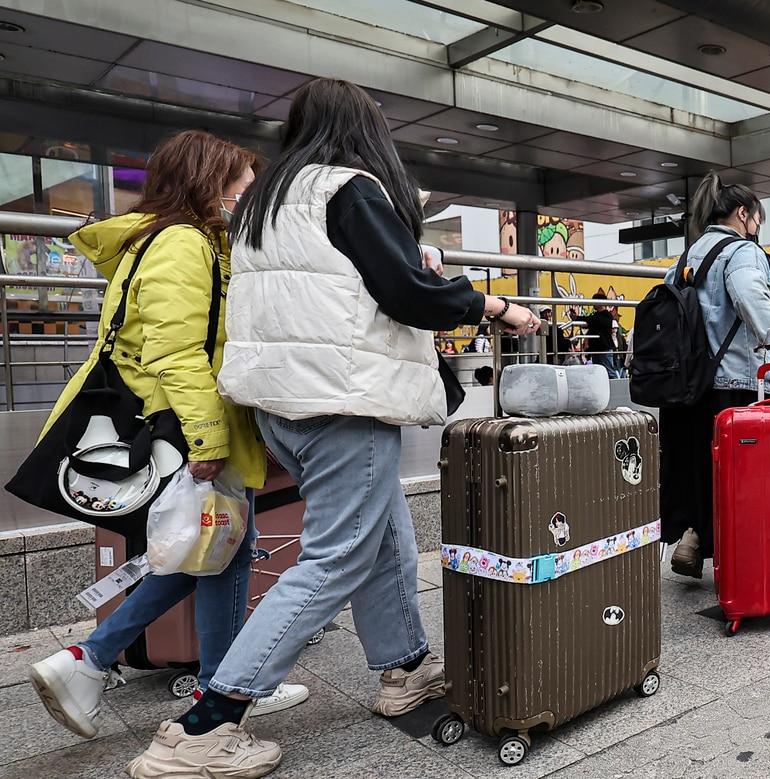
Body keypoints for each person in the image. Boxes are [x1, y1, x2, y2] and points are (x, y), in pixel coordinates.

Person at [121, 79, 540, 779]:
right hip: (342, 404)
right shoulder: (348, 189)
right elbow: (407, 291)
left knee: (383, 536)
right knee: (335, 557)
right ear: (362, 130)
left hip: (280, 406)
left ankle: (404, 666)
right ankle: (204, 727)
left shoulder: (264, 200)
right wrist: (495, 306)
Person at [26, 131, 310, 743]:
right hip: (184, 422)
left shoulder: (173, 241)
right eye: (242, 182)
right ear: (210, 181)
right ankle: (151, 671)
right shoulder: (181, 244)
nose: (249, 193)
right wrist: (208, 440)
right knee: (220, 551)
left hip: (185, 418)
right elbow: (176, 349)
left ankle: (165, 671)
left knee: (211, 553)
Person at [661, 171, 770, 578]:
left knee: (698, 464)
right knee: (736, 471)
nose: (757, 229)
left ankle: (693, 533)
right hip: (730, 380)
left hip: (686, 384)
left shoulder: (685, 257)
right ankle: (738, 557)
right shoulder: (742, 252)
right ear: (743, 214)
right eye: (757, 220)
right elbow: (749, 292)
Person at [585, 293, 621, 378]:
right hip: (598, 349)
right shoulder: (597, 316)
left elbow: (594, 321)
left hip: (604, 348)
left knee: (609, 372)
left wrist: (578, 318)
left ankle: (615, 389)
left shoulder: (606, 315)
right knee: (598, 373)